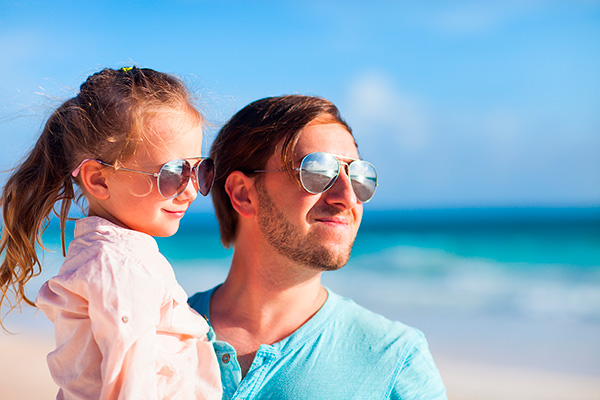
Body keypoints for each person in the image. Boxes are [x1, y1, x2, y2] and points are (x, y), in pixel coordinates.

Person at [189, 94, 447, 399]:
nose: (348, 197)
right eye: (317, 172)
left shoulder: (394, 360)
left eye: (359, 176)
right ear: (244, 194)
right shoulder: (153, 330)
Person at [0, 67, 221, 399]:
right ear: (98, 179)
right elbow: (128, 384)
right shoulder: (123, 266)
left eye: (199, 170)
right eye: (173, 172)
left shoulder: (106, 254)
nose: (190, 190)